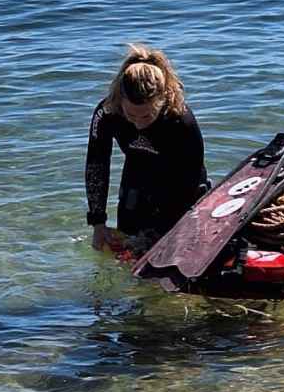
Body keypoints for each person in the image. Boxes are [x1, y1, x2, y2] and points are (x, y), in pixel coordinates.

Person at [85, 45, 209, 252]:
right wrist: (98, 223)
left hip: (180, 183)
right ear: (120, 99)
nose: (138, 124)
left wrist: (157, 235)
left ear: (162, 100)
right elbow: (96, 165)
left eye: (147, 116)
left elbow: (189, 178)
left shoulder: (181, 119)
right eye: (131, 116)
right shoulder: (107, 112)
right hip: (136, 179)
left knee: (168, 248)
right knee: (125, 249)